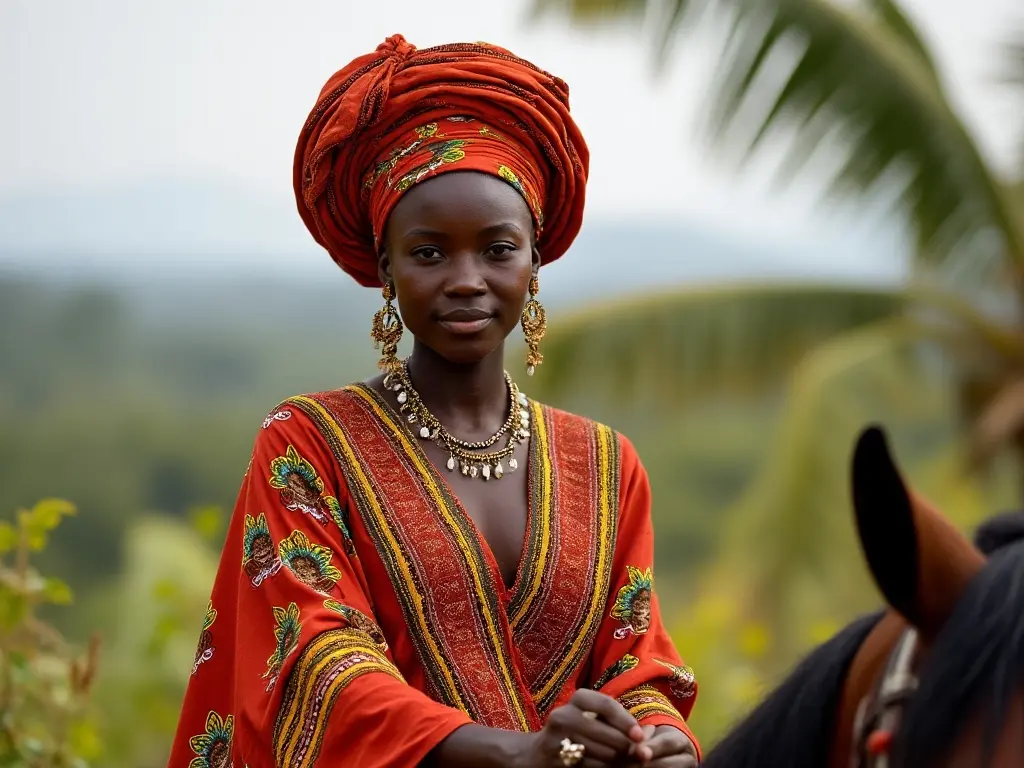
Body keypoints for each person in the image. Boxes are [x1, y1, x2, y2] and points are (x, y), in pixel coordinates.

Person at [166, 34, 700, 768]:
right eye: (429, 253)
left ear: (535, 260)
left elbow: (634, 658)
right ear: (385, 267)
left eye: (497, 248)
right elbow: (319, 663)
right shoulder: (308, 445)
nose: (466, 278)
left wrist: (658, 735)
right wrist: (515, 755)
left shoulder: (606, 463)